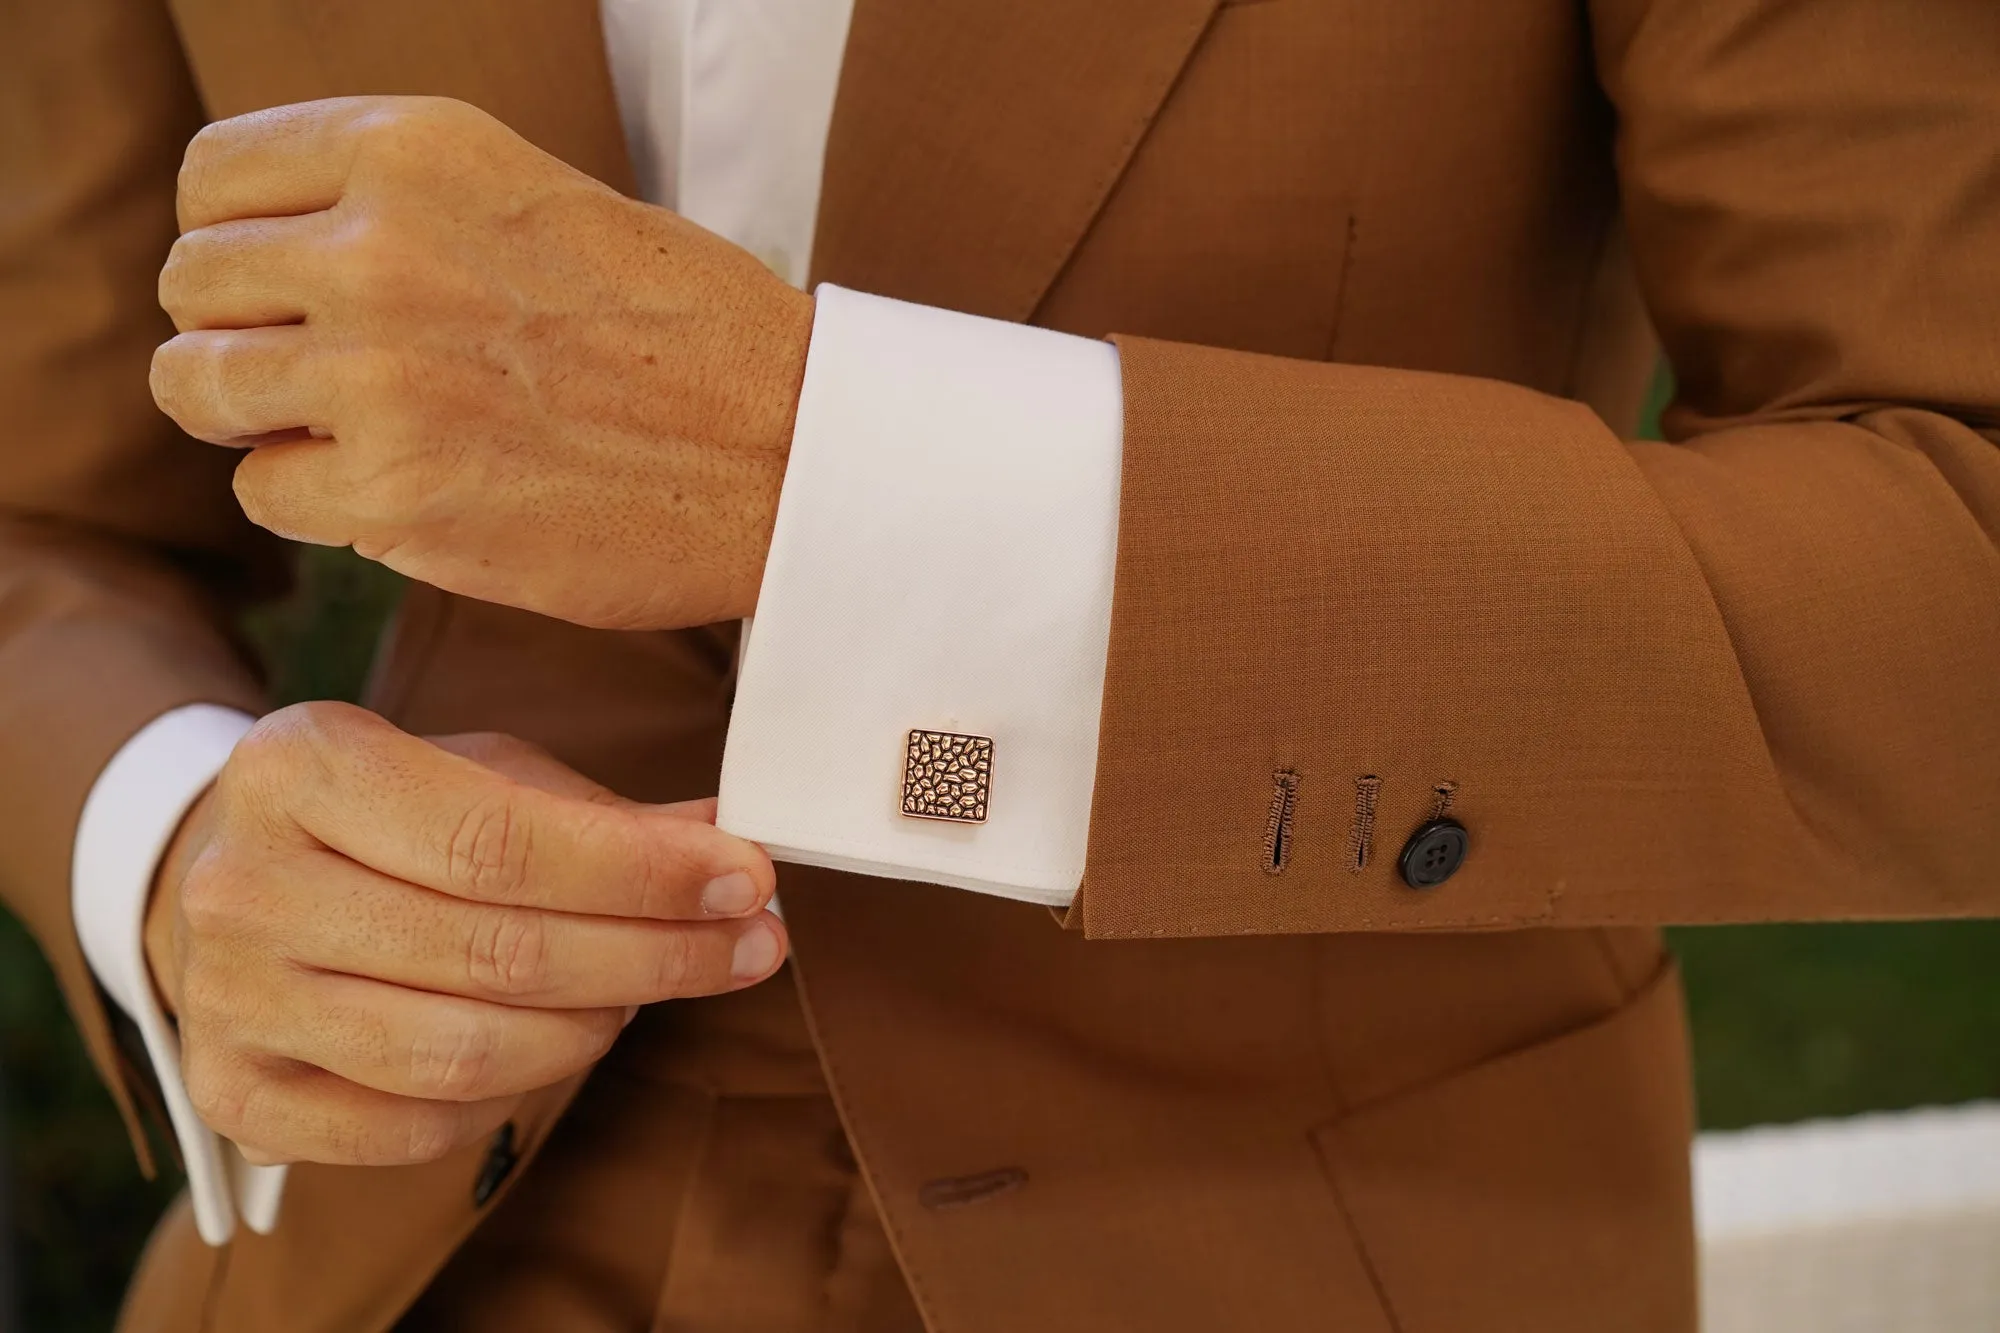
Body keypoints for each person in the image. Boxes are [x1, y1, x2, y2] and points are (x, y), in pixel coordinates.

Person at [3, 0, 1996, 1329]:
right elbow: (42, 518)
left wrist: (826, 463)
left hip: (1324, 1250)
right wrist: (167, 842)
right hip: (403, 1257)